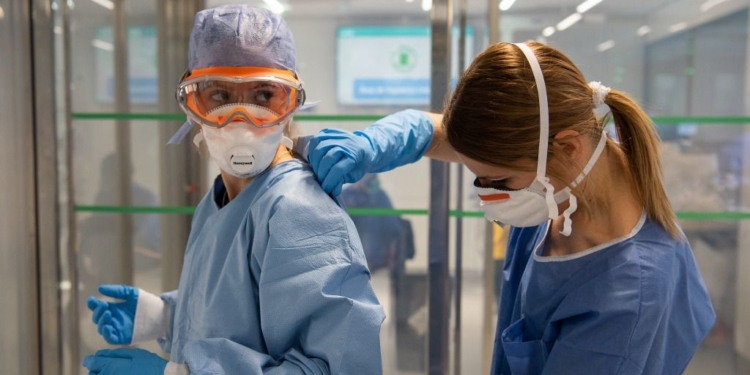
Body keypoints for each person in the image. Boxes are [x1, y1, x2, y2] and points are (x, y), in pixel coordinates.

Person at [302, 41, 716, 374]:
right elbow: (435, 131)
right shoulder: (573, 174)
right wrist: (373, 145)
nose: (488, 198)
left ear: (567, 147)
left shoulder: (626, 299)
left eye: (499, 182)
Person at [82, 5, 384, 375]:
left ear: (290, 104)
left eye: (262, 97)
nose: (239, 121)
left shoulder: (300, 211)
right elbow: (237, 314)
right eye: (220, 96)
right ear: (192, 105)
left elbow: (336, 368)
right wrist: (161, 316)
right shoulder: (220, 199)